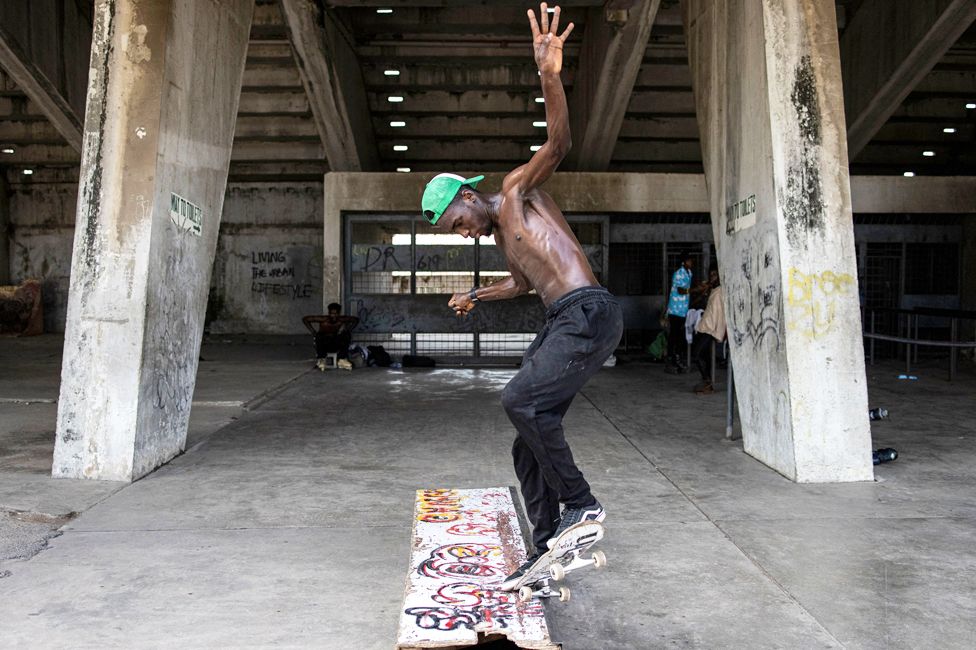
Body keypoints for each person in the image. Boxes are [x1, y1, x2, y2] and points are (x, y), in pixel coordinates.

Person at [419, 3, 621, 591]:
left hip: (588, 312)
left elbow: (557, 144)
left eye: (456, 223)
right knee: (524, 442)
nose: (463, 234)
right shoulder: (506, 242)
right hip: (562, 318)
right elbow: (523, 284)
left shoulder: (513, 193)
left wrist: (549, 75)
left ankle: (582, 505)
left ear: (464, 196)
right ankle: (546, 545)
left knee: (518, 400)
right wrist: (477, 294)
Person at [690, 267, 725, 394]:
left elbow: (719, 313)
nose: (712, 278)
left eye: (715, 275)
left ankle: (707, 380)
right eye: (711, 275)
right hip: (705, 326)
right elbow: (699, 303)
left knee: (697, 354)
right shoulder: (713, 290)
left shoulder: (721, 291)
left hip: (710, 328)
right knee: (705, 355)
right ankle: (707, 382)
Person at [303, 303, 359, 370]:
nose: (333, 316)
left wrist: (348, 330)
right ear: (329, 313)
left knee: (346, 334)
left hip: (335, 343)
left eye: (336, 314)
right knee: (319, 335)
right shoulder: (323, 319)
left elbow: (356, 320)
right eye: (331, 313)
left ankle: (342, 359)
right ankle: (321, 359)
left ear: (339, 313)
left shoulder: (341, 320)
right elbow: (305, 319)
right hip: (324, 344)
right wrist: (313, 332)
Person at [665, 252, 695, 374]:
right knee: (675, 335)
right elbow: (681, 290)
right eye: (689, 261)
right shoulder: (678, 273)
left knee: (679, 335)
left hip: (683, 309)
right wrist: (694, 290)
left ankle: (676, 357)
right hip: (675, 309)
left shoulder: (689, 273)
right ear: (684, 262)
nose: (691, 262)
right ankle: (672, 358)